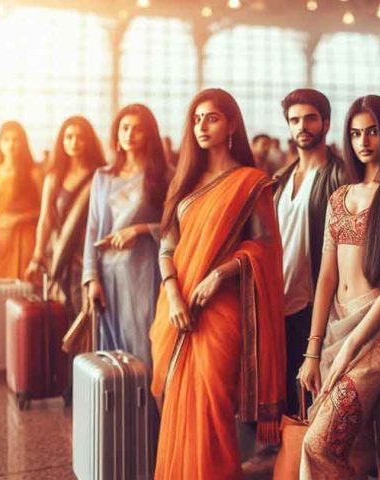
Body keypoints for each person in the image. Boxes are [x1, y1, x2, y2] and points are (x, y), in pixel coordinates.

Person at [149, 88, 286, 479]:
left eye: (211, 118)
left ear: (232, 125)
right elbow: (167, 246)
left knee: (212, 404)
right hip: (177, 309)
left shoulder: (251, 183)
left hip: (221, 309)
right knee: (176, 399)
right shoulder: (186, 181)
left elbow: (265, 248)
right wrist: (173, 293)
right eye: (196, 119)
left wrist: (218, 274)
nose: (201, 126)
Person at [297, 95, 380, 479]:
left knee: (317, 444)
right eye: (355, 134)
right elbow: (326, 278)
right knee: (350, 449)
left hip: (379, 333)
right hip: (337, 327)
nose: (363, 141)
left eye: (372, 132)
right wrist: (314, 351)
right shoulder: (340, 197)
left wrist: (353, 344)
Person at [273, 88, 347, 415]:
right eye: (295, 120)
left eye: (310, 118)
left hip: (317, 298)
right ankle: (287, 457)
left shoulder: (340, 176)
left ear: (326, 123)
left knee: (317, 393)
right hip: (280, 297)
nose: (302, 126)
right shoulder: (282, 179)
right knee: (286, 389)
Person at [82, 104, 169, 365]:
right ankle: (117, 405)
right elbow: (93, 229)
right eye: (124, 127)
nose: (129, 134)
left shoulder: (164, 177)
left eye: (137, 129)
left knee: (143, 342)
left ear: (150, 135)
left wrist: (140, 229)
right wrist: (91, 278)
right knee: (111, 350)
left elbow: (176, 225)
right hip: (108, 272)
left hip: (143, 271)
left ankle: (145, 406)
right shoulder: (103, 177)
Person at [26, 116, 106, 316]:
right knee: (62, 312)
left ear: (89, 141)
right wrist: (37, 256)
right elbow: (45, 219)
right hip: (60, 255)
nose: (74, 142)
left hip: (89, 255)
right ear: (61, 141)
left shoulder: (100, 176)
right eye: (68, 137)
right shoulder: (54, 177)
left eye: (80, 137)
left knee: (88, 314)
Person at [0, 122, 41, 282]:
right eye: (6, 139)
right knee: (1, 285)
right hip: (0, 239)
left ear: (23, 144)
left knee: (26, 285)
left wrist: (20, 218)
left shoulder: (33, 173)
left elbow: (44, 210)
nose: (11, 144)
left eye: (16, 140)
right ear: (0, 144)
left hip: (27, 236)